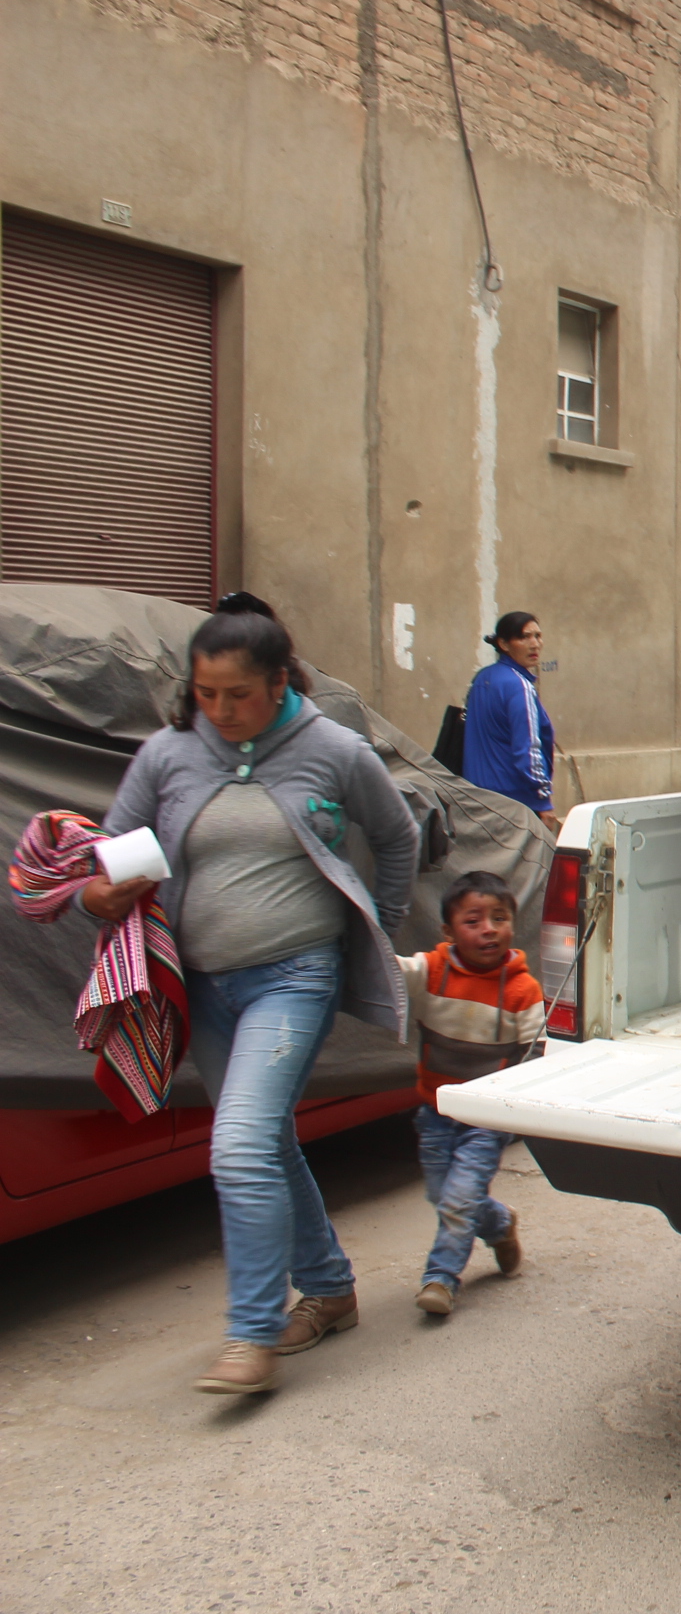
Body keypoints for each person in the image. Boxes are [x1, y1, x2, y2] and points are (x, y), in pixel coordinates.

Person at [83, 594, 420, 1397]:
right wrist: (93, 897)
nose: (221, 710)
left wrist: (378, 927)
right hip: (199, 985)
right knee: (265, 1143)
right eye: (205, 694)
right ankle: (331, 1291)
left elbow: (398, 834)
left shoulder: (333, 749)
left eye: (238, 693)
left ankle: (251, 1333)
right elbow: (109, 853)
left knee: (237, 1148)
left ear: (279, 682)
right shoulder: (169, 754)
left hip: (294, 975)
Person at [402, 870, 543, 1317]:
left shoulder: (523, 990)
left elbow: (536, 1055)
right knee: (442, 1196)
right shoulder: (430, 973)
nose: (488, 929)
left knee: (459, 1200)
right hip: (435, 1112)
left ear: (512, 926)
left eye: (499, 918)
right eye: (473, 920)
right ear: (448, 931)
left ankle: (441, 1278)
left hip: (485, 1120)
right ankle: (500, 1223)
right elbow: (385, 970)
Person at [462, 611, 558, 829]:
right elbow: (528, 749)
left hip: (477, 799)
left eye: (538, 636)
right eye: (524, 637)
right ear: (504, 644)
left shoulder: (483, 678)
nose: (534, 644)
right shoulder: (519, 686)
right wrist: (542, 799)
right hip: (514, 804)